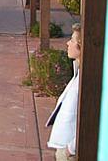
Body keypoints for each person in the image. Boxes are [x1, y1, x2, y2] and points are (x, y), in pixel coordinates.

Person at [46, 23, 82, 160]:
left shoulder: (85, 81)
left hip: (70, 151)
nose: (68, 43)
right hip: (63, 147)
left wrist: (70, 149)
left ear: (81, 46)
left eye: (72, 40)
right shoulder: (78, 73)